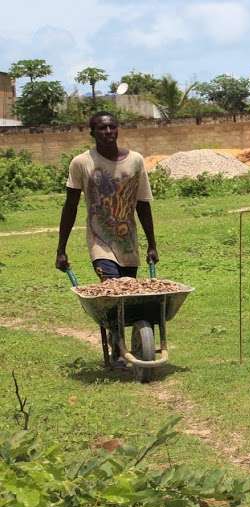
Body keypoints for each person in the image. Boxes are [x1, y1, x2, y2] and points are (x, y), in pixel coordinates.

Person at [56, 111, 158, 367]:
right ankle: (120, 348)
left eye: (112, 127)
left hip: (128, 243)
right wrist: (61, 249)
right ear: (92, 133)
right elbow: (70, 206)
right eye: (102, 128)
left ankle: (124, 342)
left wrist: (152, 244)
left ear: (118, 129)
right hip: (99, 241)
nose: (108, 132)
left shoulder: (135, 161)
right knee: (111, 292)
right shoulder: (81, 163)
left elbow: (143, 204)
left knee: (127, 298)